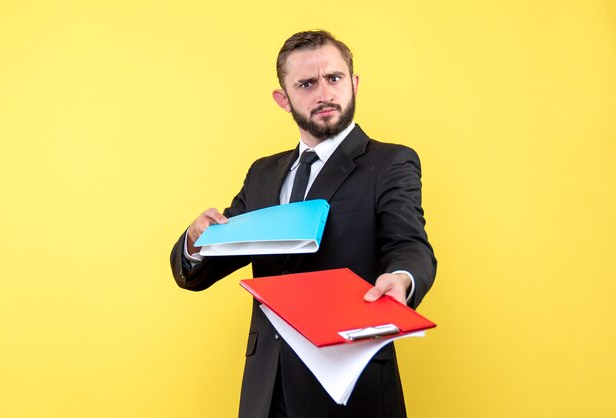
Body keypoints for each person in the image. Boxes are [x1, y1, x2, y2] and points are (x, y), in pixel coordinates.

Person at [170, 30, 436, 418]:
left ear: (354, 83)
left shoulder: (390, 163)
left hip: (348, 386)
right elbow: (204, 268)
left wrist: (402, 278)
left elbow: (410, 244)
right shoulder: (263, 173)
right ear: (284, 99)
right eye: (307, 84)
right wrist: (196, 242)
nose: (324, 93)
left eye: (334, 78)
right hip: (267, 387)